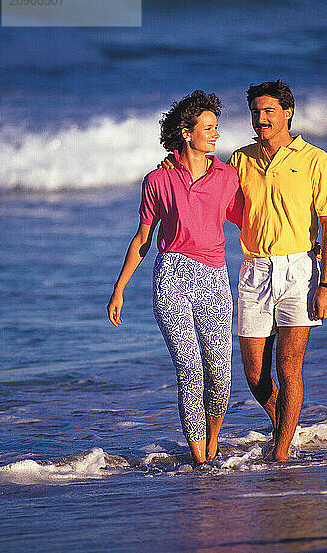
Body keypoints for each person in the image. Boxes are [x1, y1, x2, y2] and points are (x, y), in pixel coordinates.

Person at [107, 90, 243, 465]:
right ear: (186, 132)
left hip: (215, 278)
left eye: (217, 127)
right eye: (209, 128)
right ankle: (200, 460)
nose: (216, 135)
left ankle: (212, 441)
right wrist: (119, 290)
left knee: (219, 371)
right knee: (188, 366)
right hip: (173, 276)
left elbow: (249, 221)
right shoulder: (157, 179)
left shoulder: (227, 176)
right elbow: (142, 239)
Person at [229, 79, 327, 461]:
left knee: (289, 366)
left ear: (288, 112)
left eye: (269, 111)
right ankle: (285, 427)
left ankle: (280, 451)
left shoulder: (315, 159)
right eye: (256, 112)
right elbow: (206, 185)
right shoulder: (240, 159)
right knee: (254, 374)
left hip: (300, 270)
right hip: (254, 270)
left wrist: (326, 283)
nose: (261, 118)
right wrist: (173, 161)